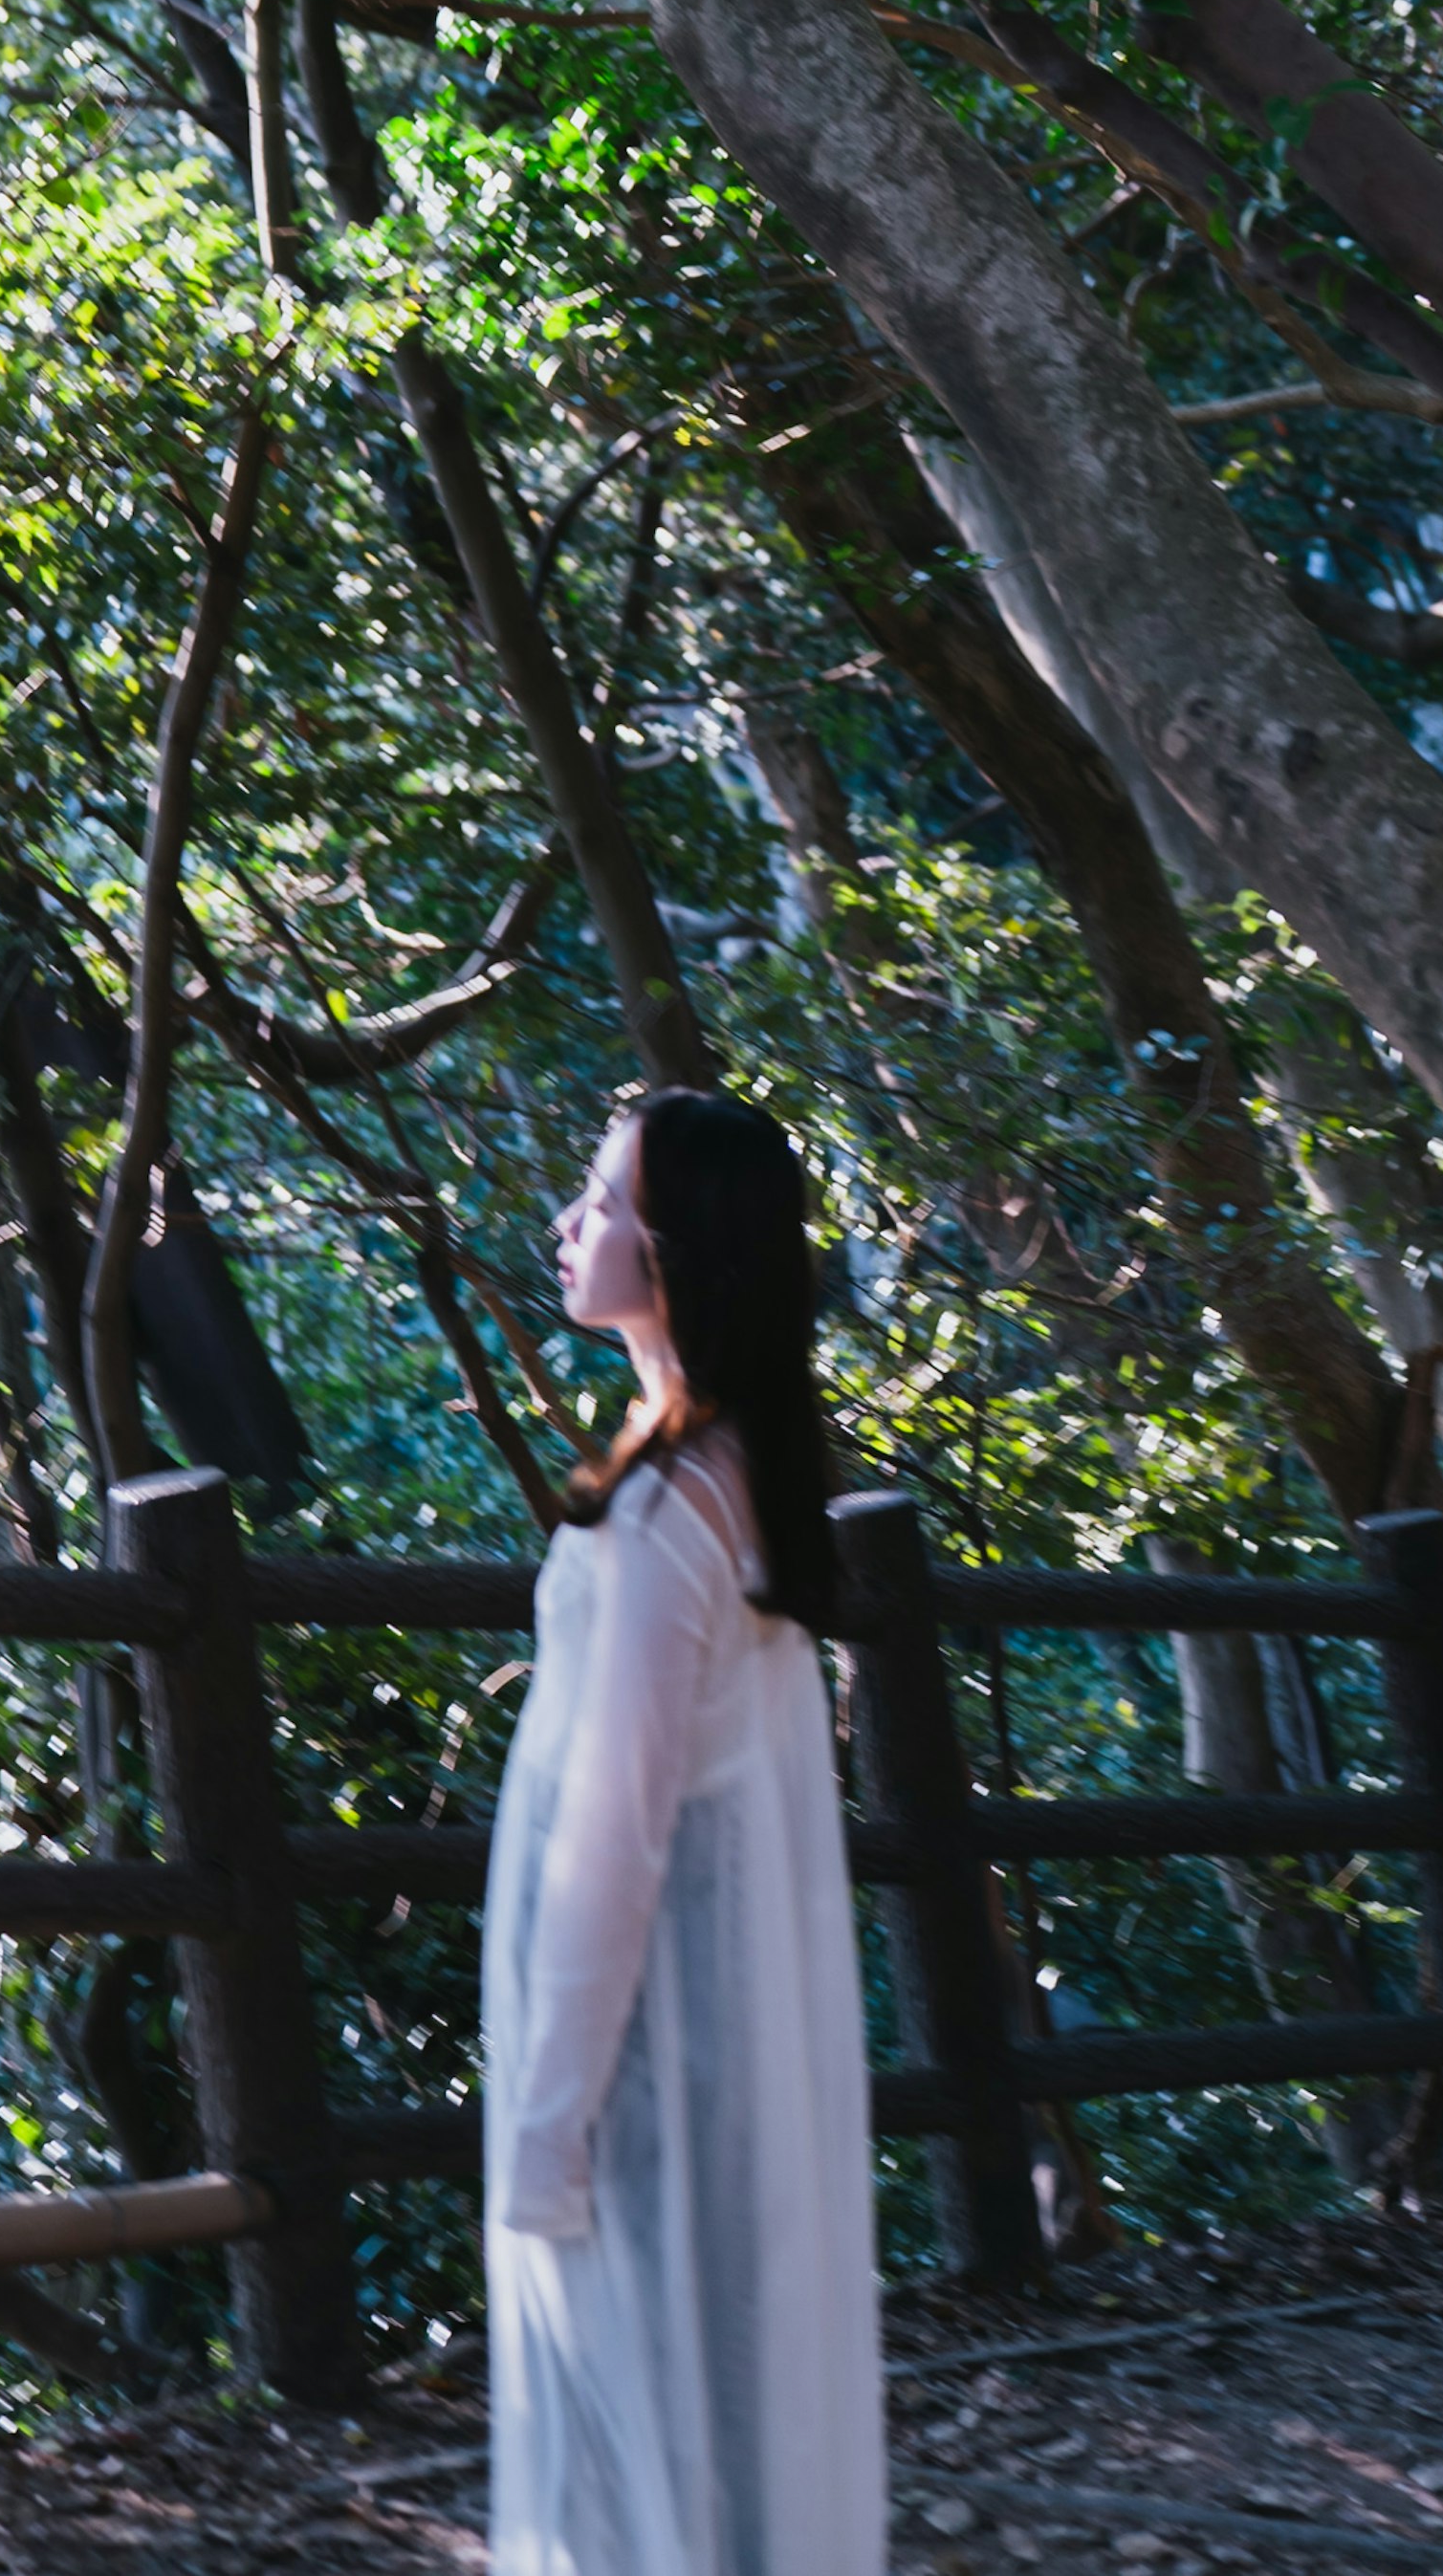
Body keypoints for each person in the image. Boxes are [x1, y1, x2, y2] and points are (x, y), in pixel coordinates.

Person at [483, 1085, 883, 2576]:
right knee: (703, 2433)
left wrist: (546, 2126)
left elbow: (617, 1835)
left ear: (679, 1250)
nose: (568, 1223)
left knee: (641, 2456)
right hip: (691, 2043)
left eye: (602, 1199)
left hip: (640, 2063)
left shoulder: (674, 1515)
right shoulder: (725, 1474)